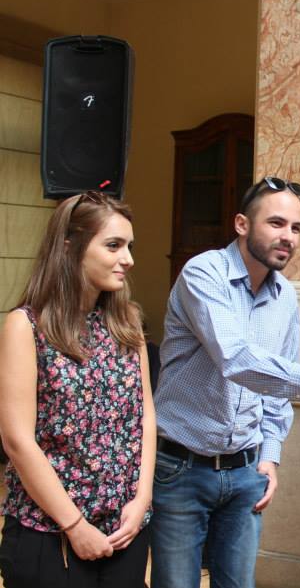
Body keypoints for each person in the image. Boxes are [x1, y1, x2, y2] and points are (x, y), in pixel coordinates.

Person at [150, 177, 300, 588]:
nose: (288, 237)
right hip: (181, 469)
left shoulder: (286, 297)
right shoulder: (203, 273)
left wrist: (269, 457)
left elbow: (277, 387)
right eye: (276, 223)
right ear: (242, 224)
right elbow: (235, 357)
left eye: (296, 228)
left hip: (246, 473)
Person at [0, 191, 154, 587]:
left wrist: (142, 500)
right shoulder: (25, 326)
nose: (128, 259)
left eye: (129, 246)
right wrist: (74, 524)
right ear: (69, 248)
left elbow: (145, 417)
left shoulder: (127, 322)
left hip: (123, 528)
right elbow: (17, 441)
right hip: (50, 533)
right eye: (113, 245)